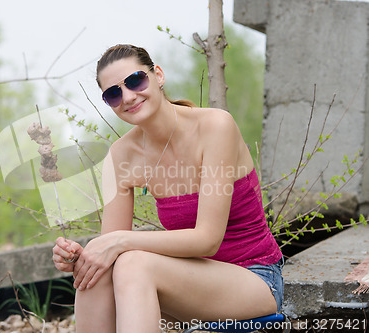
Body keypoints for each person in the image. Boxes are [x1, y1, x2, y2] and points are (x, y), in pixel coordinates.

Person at [52, 44, 283, 333]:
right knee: (97, 271)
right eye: (113, 94)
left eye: (136, 80)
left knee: (133, 264)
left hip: (253, 277)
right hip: (186, 284)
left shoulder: (214, 127)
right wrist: (78, 257)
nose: (128, 96)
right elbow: (108, 250)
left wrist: (120, 243)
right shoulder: (121, 155)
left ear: (158, 75)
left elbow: (207, 240)